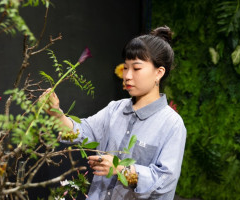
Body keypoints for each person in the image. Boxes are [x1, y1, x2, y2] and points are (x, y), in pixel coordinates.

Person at [42, 26, 186, 200]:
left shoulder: (172, 124)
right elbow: (83, 132)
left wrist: (120, 169)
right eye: (126, 67)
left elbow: (164, 183)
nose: (127, 75)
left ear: (159, 73)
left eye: (136, 68)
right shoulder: (115, 109)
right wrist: (57, 114)